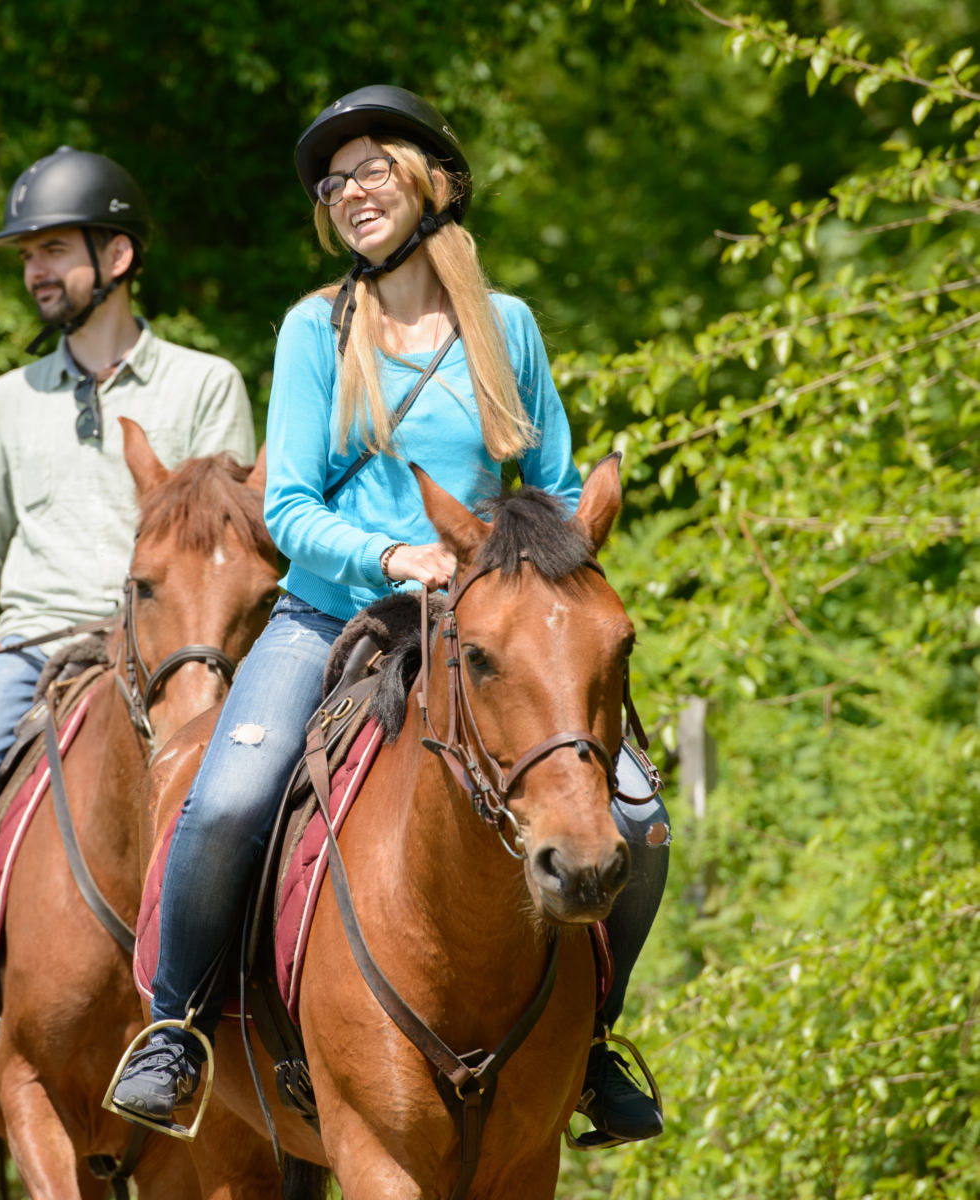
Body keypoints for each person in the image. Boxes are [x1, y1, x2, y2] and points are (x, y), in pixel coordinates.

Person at [108, 86, 668, 1145]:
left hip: (478, 625)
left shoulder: (505, 328)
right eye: (333, 181)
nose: (349, 191)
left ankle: (590, 1042)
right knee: (223, 799)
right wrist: (390, 553)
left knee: (636, 816)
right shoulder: (314, 329)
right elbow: (285, 508)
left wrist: (527, 567)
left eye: (370, 168)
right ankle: (176, 1029)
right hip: (329, 620)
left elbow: (544, 488)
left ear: (430, 183)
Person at [0, 147, 258, 1112]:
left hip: (165, 653)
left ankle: (259, 1022)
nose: (34, 270)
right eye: (26, 254)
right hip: (27, 649)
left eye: (54, 249)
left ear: (115, 255)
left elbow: (229, 535)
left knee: (253, 800)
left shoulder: (203, 384)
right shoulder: (3, 402)